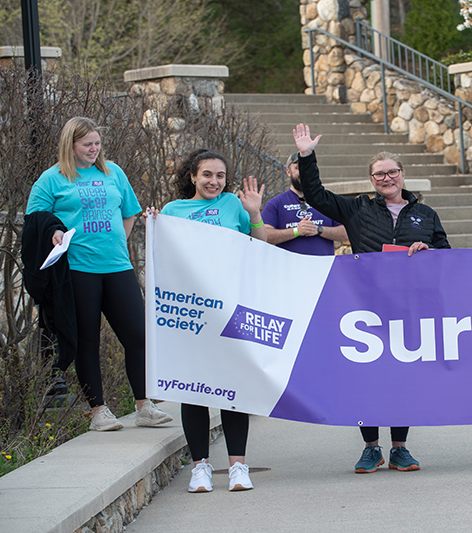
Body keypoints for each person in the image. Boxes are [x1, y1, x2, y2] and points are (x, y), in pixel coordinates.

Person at [292, 123, 450, 474]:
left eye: (392, 172)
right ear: (372, 180)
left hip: (409, 309)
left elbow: (447, 255)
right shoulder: (358, 210)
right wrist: (306, 155)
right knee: (364, 377)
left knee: (403, 378)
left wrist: (429, 249)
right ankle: (370, 448)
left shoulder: (426, 215)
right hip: (365, 308)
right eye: (379, 174)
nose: (386, 178)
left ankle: (400, 449)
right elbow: (317, 196)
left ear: (402, 175)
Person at [26, 117, 173, 432]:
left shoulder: (113, 172)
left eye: (96, 143)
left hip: (118, 266)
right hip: (78, 270)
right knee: (87, 341)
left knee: (138, 336)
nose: (94, 149)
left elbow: (129, 211)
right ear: (71, 145)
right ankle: (99, 411)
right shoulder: (52, 179)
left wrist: (115, 241)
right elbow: (35, 219)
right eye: (87, 144)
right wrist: (53, 231)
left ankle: (144, 405)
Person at [146, 149, 266, 493]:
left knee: (233, 389)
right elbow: (164, 259)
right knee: (193, 388)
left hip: (229, 306)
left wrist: (254, 214)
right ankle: (200, 468)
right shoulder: (172, 211)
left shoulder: (233, 204)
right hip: (192, 312)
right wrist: (155, 225)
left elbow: (261, 247)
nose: (214, 181)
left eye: (220, 176)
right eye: (207, 175)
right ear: (192, 177)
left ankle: (238, 466)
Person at [262, 152, 348, 254]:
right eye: (298, 168)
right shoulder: (276, 203)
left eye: (306, 167)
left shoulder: (327, 200)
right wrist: (296, 231)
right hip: (289, 268)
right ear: (288, 172)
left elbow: (346, 232)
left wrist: (318, 230)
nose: (302, 171)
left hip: (323, 267)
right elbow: (264, 235)